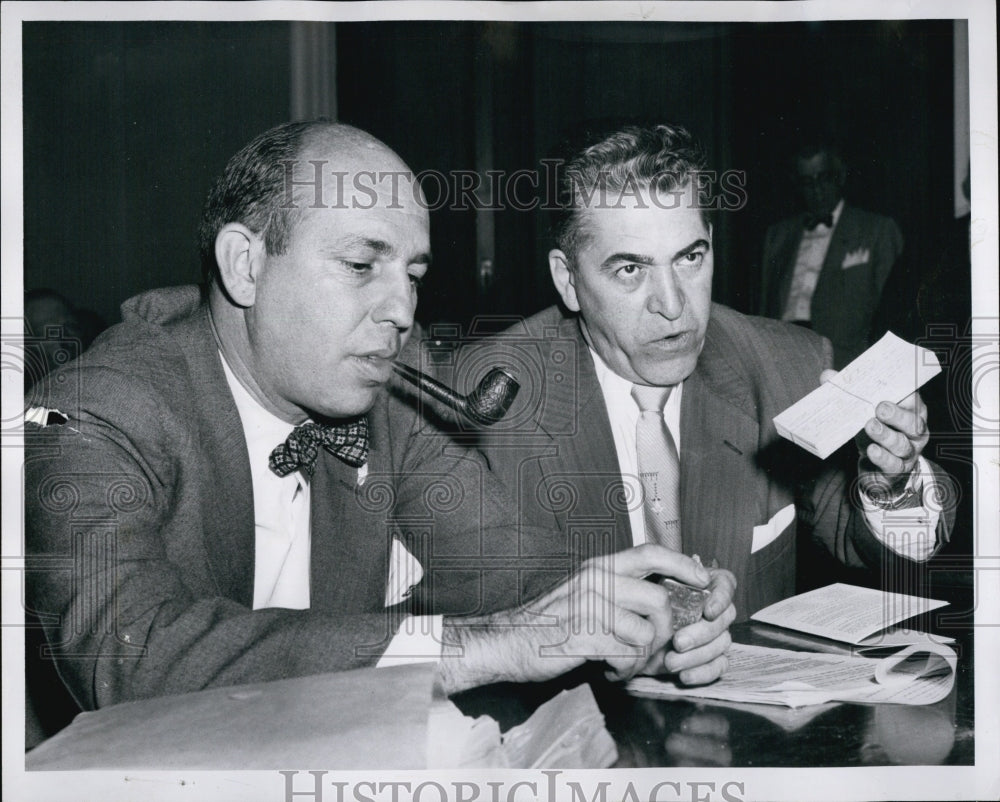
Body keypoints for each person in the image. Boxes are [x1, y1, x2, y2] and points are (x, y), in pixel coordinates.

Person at [24, 121, 735, 741]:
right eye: (363, 266)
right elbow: (131, 658)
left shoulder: (390, 381)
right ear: (246, 265)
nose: (401, 309)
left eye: (413, 273)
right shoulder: (93, 409)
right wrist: (485, 646)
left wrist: (646, 606)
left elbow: (499, 563)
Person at [457, 123, 953, 621]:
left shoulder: (789, 367)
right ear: (567, 280)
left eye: (690, 258)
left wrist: (891, 484)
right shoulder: (480, 407)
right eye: (631, 270)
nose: (673, 306)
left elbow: (868, 541)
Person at [759, 143, 903, 368]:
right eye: (807, 182)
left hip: (846, 362)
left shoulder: (876, 230)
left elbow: (895, 315)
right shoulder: (778, 235)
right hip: (783, 360)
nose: (816, 189)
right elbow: (765, 310)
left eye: (823, 178)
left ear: (840, 176)